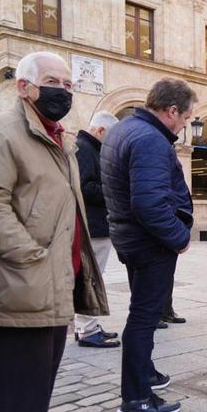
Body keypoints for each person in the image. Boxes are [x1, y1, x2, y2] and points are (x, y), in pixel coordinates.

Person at [0, 51, 108, 412]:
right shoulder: (8, 132)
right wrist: (32, 255)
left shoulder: (57, 136)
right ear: (24, 86)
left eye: (67, 84)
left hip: (57, 272)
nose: (62, 90)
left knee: (44, 366)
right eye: (52, 81)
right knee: (23, 371)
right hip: (26, 274)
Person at [101, 78, 195, 412]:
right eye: (185, 117)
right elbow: (149, 203)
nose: (185, 124)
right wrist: (179, 238)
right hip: (149, 242)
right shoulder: (150, 140)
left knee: (141, 312)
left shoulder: (124, 129)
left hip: (130, 238)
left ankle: (145, 375)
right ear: (171, 111)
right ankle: (137, 397)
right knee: (144, 317)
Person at [74, 111, 121, 348]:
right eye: (109, 137)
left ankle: (86, 325)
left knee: (92, 277)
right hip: (93, 226)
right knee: (91, 278)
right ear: (100, 131)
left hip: (96, 225)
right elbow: (84, 187)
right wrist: (112, 189)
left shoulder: (89, 148)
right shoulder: (84, 148)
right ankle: (86, 329)